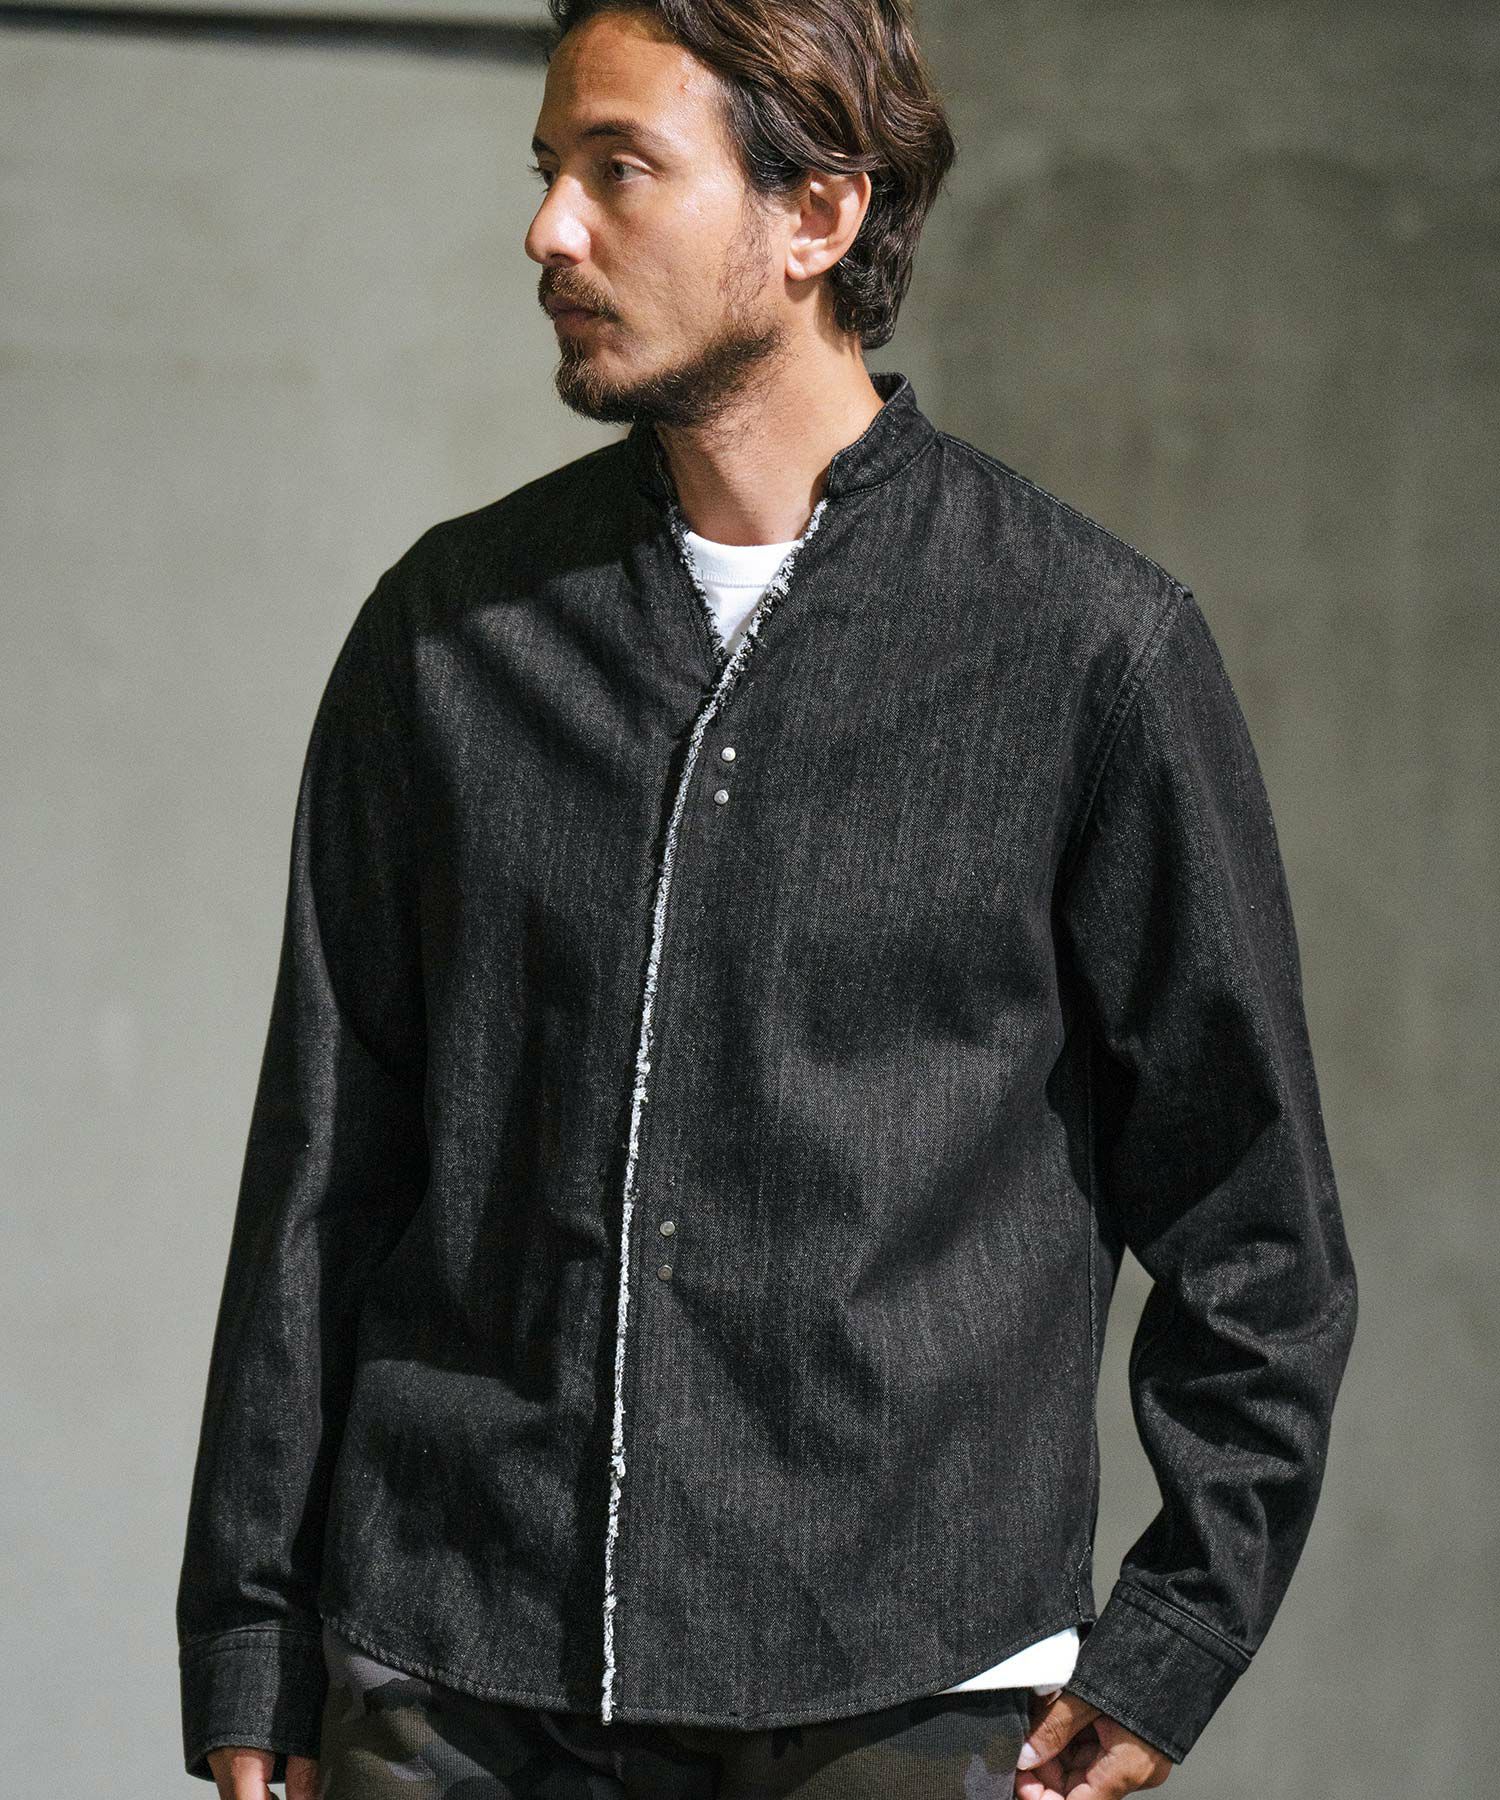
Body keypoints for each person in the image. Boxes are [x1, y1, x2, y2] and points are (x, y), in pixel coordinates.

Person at [175, 2, 1359, 1796]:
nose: (549, 230)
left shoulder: (1086, 652)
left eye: (619, 169)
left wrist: (1177, 1633)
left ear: (816, 214)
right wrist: (253, 1646)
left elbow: (1251, 1214)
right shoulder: (449, 639)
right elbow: (325, 1171)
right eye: (547, 169)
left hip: (905, 1688)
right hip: (455, 1678)